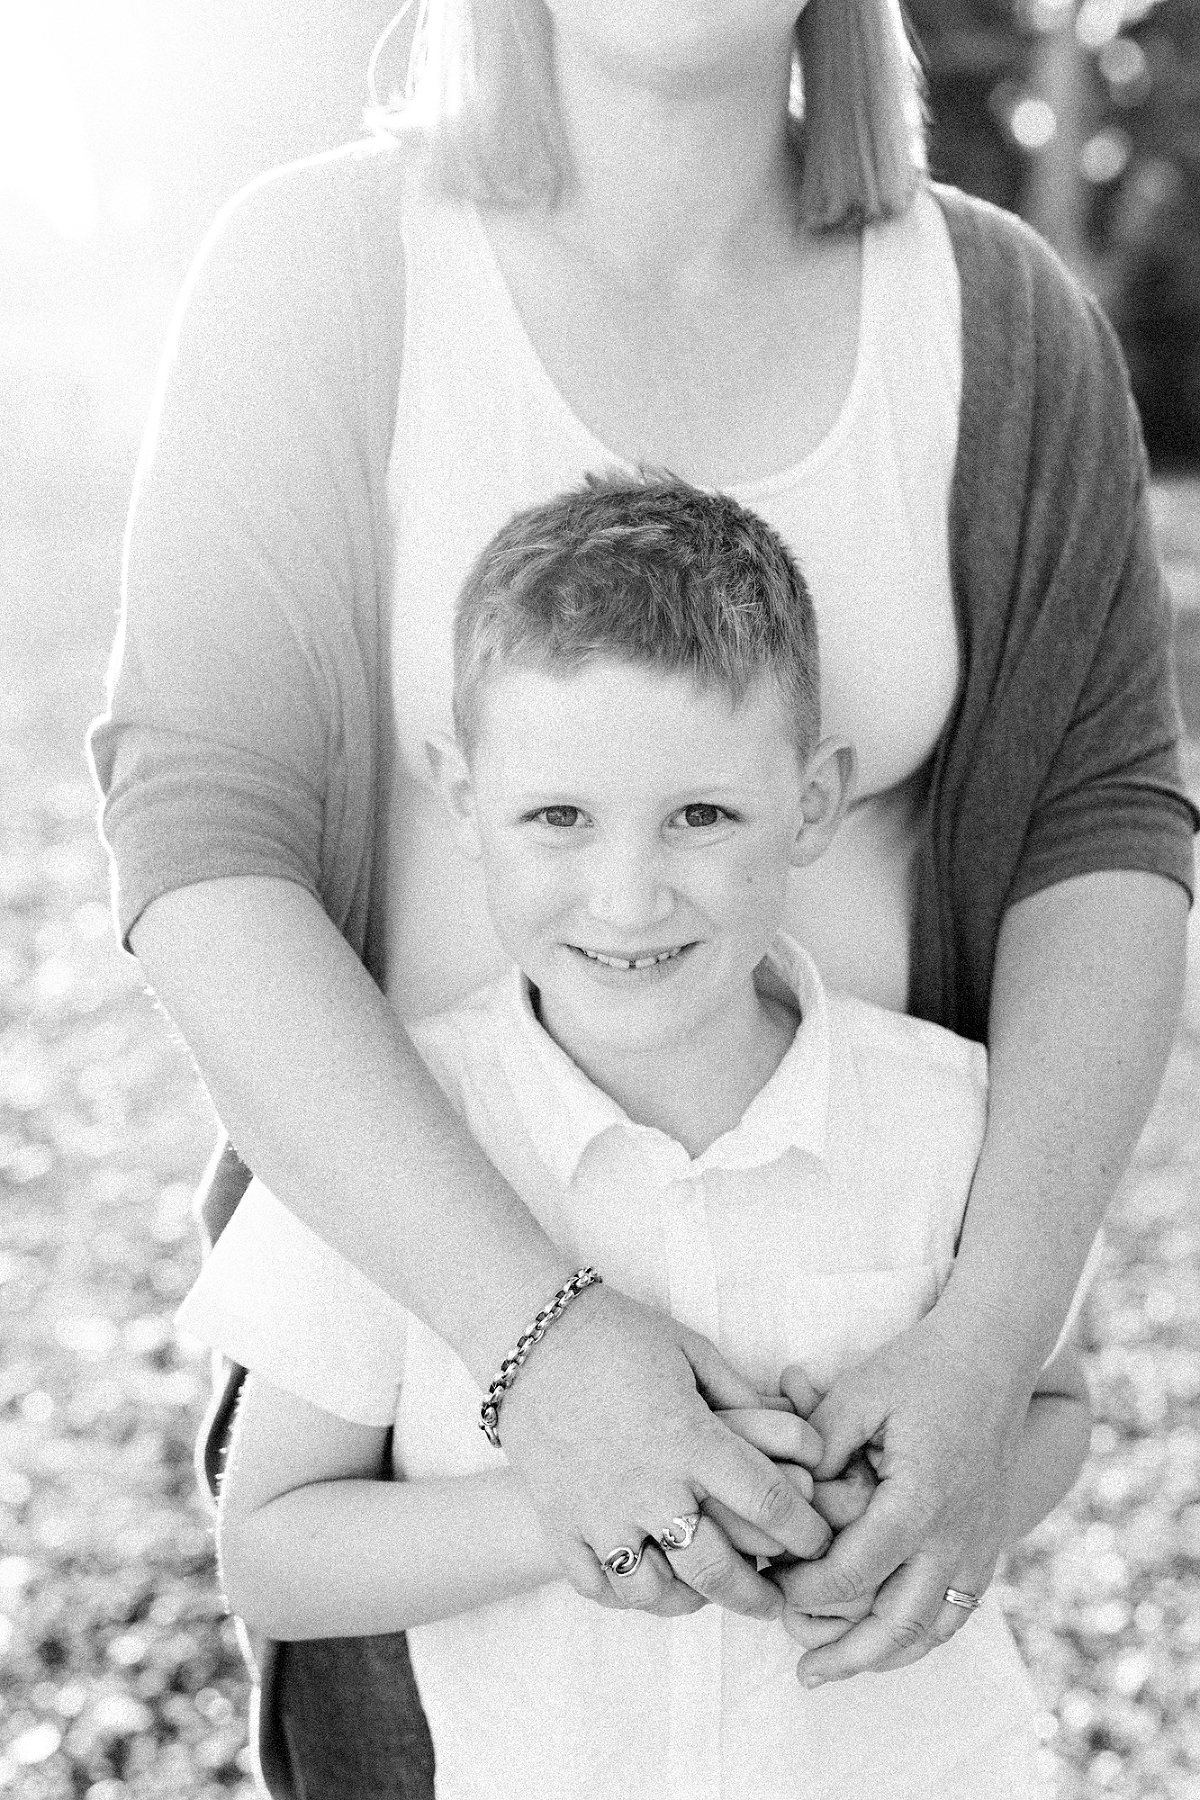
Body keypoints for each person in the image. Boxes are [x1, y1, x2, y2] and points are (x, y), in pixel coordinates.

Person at [88, 0, 1195, 1787]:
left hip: (852, 1367)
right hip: (437, 1404)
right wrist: (536, 1345)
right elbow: (201, 835)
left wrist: (989, 1346)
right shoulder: (318, 273)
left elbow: (1104, 823)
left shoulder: (999, 319)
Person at [178, 474, 1094, 1799]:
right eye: (558, 816)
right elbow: (272, 1553)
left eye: (702, 815)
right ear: (461, 797)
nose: (626, 894)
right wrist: (567, 1508)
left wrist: (927, 1524)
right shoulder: (392, 1136)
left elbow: (1054, 1402)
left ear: (815, 802)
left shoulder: (952, 1113)